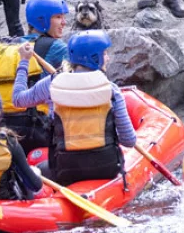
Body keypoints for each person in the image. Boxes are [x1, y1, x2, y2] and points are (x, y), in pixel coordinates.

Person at [11, 30, 137, 186]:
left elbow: (17, 100)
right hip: (108, 168)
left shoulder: (52, 84)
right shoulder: (112, 91)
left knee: (37, 169)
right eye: (104, 53)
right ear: (94, 57)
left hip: (64, 170)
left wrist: (24, 62)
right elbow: (129, 141)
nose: (108, 57)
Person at [0, 0, 70, 153]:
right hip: (37, 132)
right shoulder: (58, 47)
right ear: (42, 20)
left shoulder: (6, 48)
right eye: (58, 17)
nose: (64, 22)